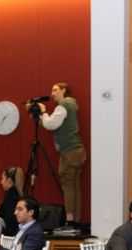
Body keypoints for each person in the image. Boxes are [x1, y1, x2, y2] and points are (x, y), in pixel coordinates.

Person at [35, 82, 86, 223]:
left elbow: (51, 124)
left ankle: (70, 221)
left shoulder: (63, 105)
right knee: (75, 187)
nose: (52, 93)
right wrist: (39, 118)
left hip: (69, 152)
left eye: (55, 90)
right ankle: (76, 220)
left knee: (68, 187)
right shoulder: (71, 106)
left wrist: (43, 112)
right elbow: (52, 124)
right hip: (78, 150)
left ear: (64, 90)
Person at [0, 167, 25, 237]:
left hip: (9, 237)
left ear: (9, 181)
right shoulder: (17, 194)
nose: (1, 182)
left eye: (3, 179)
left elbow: (10, 220)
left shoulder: (10, 196)